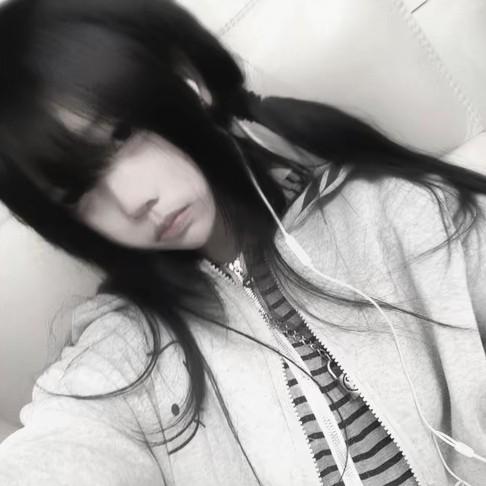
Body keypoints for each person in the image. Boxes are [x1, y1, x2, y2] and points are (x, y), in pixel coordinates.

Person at [0, 1, 484, 485]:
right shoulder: (124, 355)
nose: (130, 202)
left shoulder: (391, 210)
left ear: (186, 83)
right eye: (78, 193)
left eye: (121, 135)